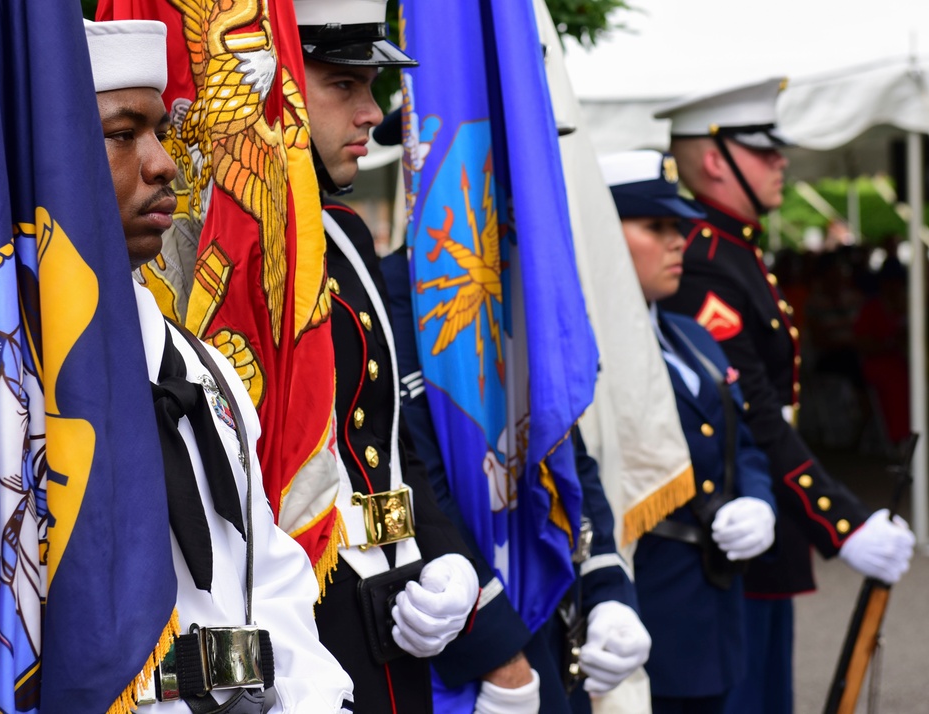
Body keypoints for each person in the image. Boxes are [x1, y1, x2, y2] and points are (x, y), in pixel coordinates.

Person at [0, 18, 354, 713]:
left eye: (159, 132)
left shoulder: (205, 371)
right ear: (49, 161)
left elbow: (272, 584)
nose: (163, 164)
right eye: (122, 135)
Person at [373, 110, 651, 714]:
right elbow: (408, 484)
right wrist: (495, 650)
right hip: (460, 646)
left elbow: (563, 451)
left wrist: (607, 585)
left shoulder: (530, 290)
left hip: (547, 618)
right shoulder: (378, 297)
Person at [655, 78, 916, 713]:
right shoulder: (703, 260)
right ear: (716, 160)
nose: (783, 163)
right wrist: (841, 518)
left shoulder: (736, 250)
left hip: (766, 522)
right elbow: (749, 412)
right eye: (765, 152)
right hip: (734, 530)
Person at [295, 1, 480, 711]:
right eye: (343, 85)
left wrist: (447, 557)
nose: (373, 112)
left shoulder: (341, 231)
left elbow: (384, 433)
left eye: (370, 86)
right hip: (307, 629)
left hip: (392, 614)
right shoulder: (222, 247)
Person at [599, 150, 776, 713]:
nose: (679, 241)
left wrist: (758, 500)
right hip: (641, 614)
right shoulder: (588, 353)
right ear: (603, 232)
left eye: (679, 226)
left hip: (715, 616)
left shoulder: (693, 335)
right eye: (656, 226)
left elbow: (740, 442)